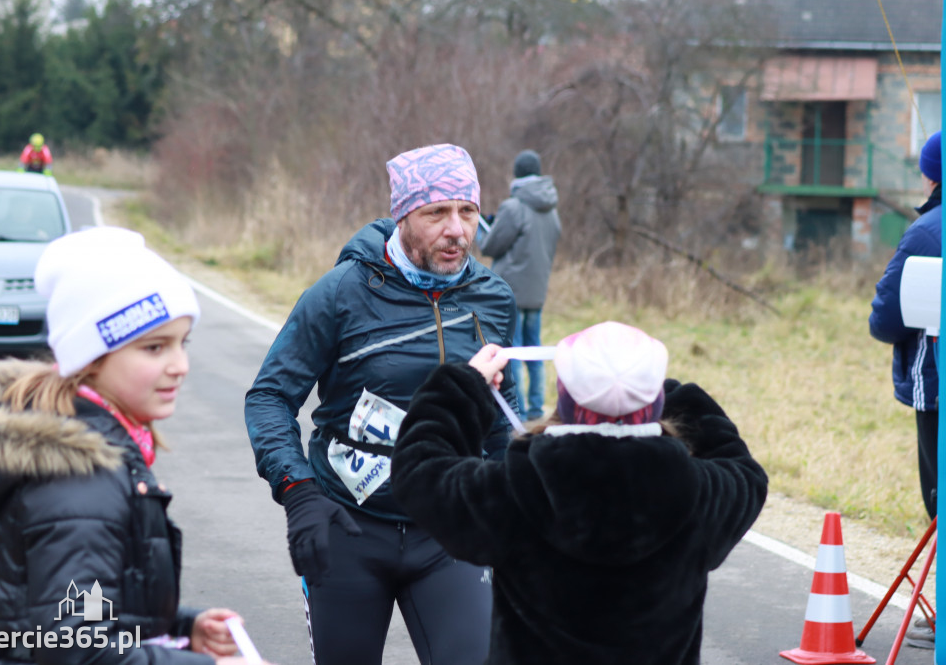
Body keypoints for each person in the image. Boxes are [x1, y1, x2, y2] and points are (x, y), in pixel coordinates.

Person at [0, 227, 263, 665]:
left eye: (182, 344)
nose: (180, 366)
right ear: (90, 358)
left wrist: (183, 628)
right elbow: (77, 648)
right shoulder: (80, 483)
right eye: (153, 347)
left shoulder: (91, 450)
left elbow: (90, 608)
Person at [244, 143, 519, 665]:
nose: (458, 230)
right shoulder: (341, 293)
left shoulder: (493, 297)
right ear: (402, 216)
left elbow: (499, 415)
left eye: (468, 211)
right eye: (436, 212)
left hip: (449, 527)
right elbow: (269, 397)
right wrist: (298, 490)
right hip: (349, 527)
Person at [391, 321, 769, 665]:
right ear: (654, 400)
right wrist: (666, 390)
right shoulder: (701, 494)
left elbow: (419, 468)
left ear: (564, 395)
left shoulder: (514, 490)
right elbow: (743, 469)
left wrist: (464, 385)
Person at [869, 129, 942, 649]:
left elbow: (887, 317)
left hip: (937, 388)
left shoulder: (926, 233)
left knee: (940, 500)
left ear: (932, 172)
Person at [479, 148, 561, 420]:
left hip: (510, 293)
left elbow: (490, 246)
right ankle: (537, 410)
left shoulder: (513, 207)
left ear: (517, 174)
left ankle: (519, 413)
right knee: (535, 351)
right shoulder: (552, 212)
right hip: (536, 293)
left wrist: (486, 227)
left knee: (511, 354)